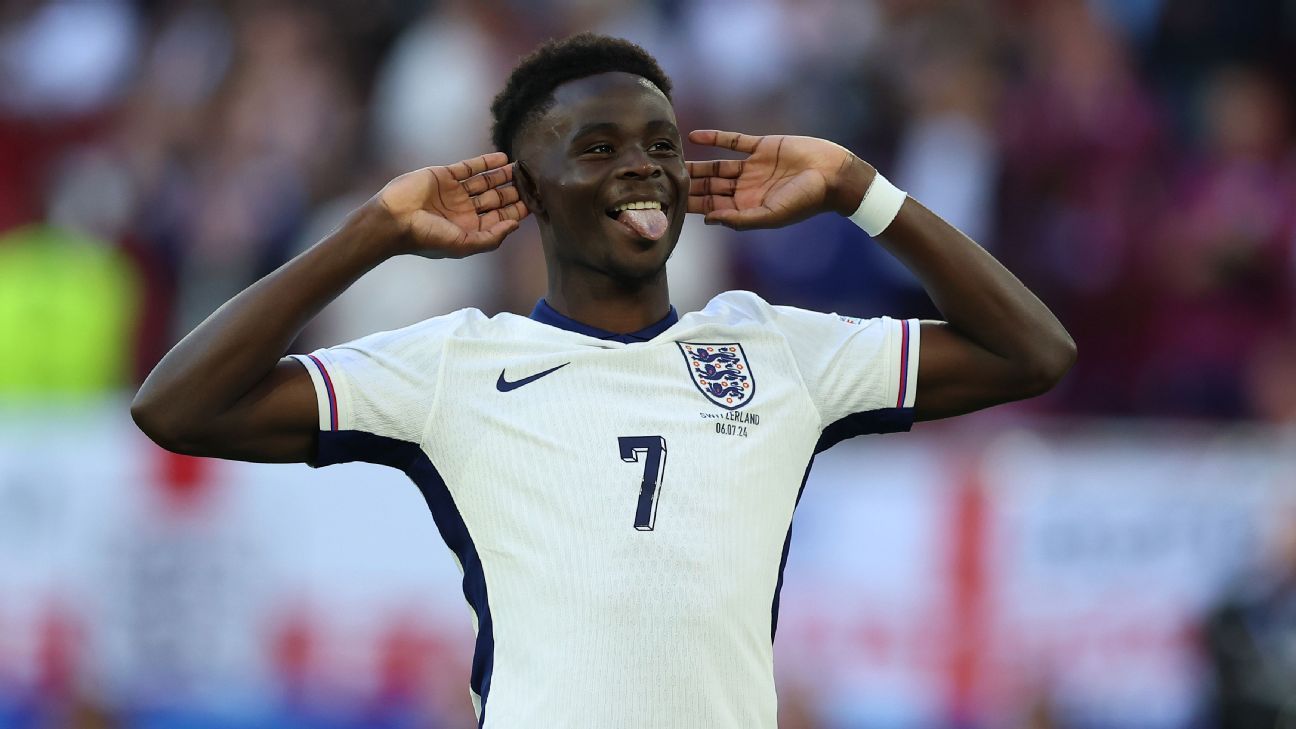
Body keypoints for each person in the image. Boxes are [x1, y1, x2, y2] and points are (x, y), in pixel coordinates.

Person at [132, 33, 1074, 728]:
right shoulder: (453, 366)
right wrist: (371, 232)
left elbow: (1032, 350)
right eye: (596, 148)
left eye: (661, 145)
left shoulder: (776, 350)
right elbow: (177, 405)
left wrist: (859, 190)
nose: (641, 168)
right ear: (528, 187)